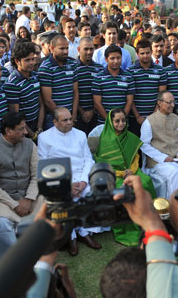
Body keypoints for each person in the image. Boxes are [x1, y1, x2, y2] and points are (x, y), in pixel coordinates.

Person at [37, 107, 103, 256]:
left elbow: (88, 159)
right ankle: (71, 235)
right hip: (59, 179)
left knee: (89, 192)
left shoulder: (80, 135)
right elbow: (45, 165)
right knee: (64, 196)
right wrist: (67, 184)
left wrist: (84, 181)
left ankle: (84, 232)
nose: (69, 122)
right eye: (65, 120)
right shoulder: (44, 137)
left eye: (70, 119)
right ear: (54, 122)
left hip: (81, 176)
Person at [94, 108, 156, 246]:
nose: (121, 123)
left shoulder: (131, 137)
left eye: (123, 120)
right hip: (114, 174)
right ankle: (128, 229)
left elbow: (136, 158)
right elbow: (102, 162)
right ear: (111, 122)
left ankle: (149, 222)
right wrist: (122, 174)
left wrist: (132, 171)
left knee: (145, 181)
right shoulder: (105, 139)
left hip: (132, 171)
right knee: (124, 190)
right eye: (117, 121)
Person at [0, 112, 41, 245]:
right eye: (21, 129)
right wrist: (15, 204)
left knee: (49, 208)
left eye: (25, 127)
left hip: (29, 195)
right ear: (8, 131)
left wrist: (29, 198)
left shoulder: (30, 145)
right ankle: (17, 258)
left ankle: (41, 250)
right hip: (3, 200)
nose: (26, 132)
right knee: (3, 222)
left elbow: (37, 175)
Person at [140, 90, 178, 199]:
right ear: (159, 103)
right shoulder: (149, 121)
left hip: (177, 160)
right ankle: (175, 207)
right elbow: (144, 145)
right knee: (174, 173)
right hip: (159, 162)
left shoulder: (176, 118)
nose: (172, 105)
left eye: (173, 102)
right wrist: (163, 158)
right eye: (169, 102)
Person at [126, 38, 167, 137]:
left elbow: (162, 95)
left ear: (151, 52)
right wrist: (138, 116)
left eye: (148, 53)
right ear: (137, 54)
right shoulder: (130, 71)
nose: (145, 56)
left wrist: (153, 116)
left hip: (156, 117)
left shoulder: (161, 70)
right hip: (134, 118)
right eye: (142, 53)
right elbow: (129, 96)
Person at [38, 35, 79, 128]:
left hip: (70, 116)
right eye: (62, 48)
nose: (65, 51)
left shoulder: (73, 64)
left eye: (67, 48)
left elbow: (75, 91)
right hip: (54, 118)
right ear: (52, 48)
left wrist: (74, 115)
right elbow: (48, 100)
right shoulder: (45, 68)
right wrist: (63, 117)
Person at [92, 44, 135, 124]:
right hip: (104, 123)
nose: (116, 61)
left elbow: (129, 101)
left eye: (118, 58)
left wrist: (121, 120)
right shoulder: (98, 78)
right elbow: (97, 103)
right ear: (106, 59)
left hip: (123, 123)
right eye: (112, 58)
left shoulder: (129, 77)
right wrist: (110, 121)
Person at [74, 37, 104, 134]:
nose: (89, 52)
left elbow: (102, 92)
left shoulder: (100, 69)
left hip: (95, 114)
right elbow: (72, 92)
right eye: (85, 49)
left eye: (91, 49)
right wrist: (82, 112)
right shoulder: (72, 68)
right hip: (77, 115)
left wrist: (93, 111)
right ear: (79, 49)